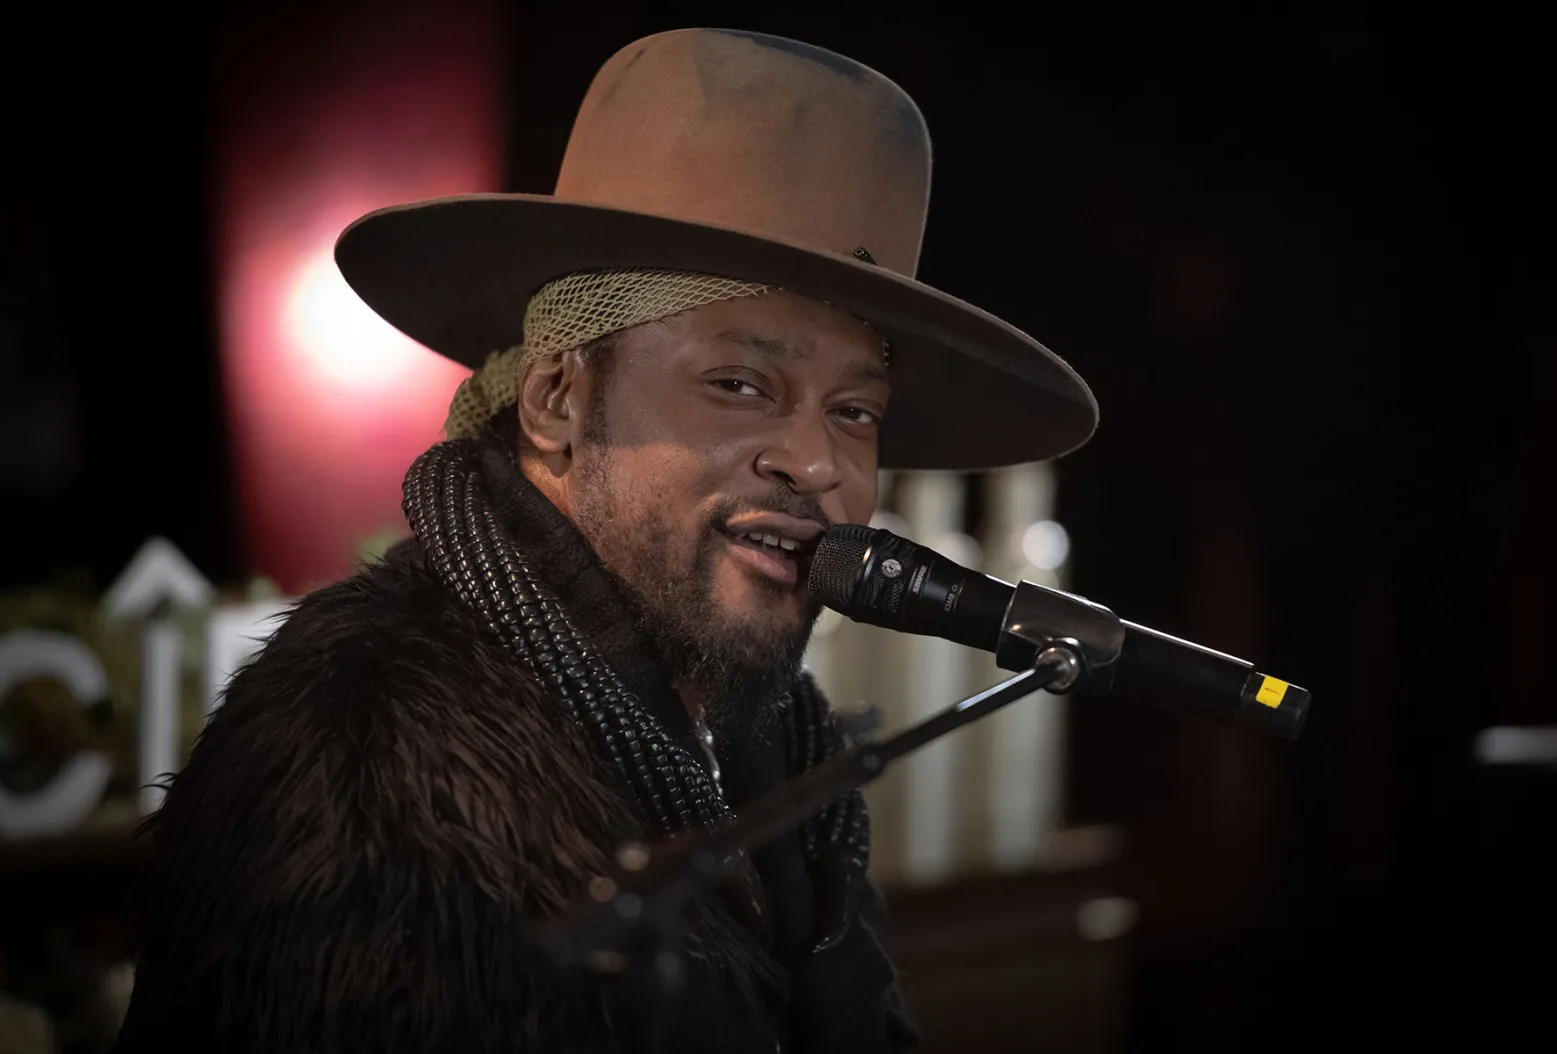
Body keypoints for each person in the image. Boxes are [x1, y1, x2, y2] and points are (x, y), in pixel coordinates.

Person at [111, 27, 1097, 1054]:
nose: (818, 464)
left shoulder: (778, 749)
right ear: (555, 396)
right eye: (741, 385)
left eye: (853, 411)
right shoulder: (355, 748)